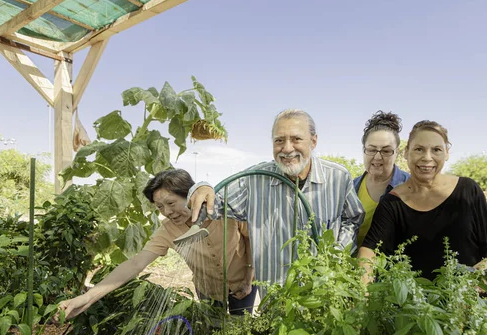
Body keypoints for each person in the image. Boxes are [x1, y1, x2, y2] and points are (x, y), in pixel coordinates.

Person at [188, 109, 365, 287]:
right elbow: (215, 203)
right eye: (279, 140)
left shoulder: (338, 178)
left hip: (323, 293)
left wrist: (337, 253)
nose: (287, 148)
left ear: (313, 141)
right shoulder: (254, 180)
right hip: (275, 297)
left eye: (296, 139)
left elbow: (352, 218)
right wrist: (201, 187)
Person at [57, 169, 256, 319]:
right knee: (213, 328)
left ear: (190, 195)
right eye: (160, 207)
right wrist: (88, 297)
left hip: (243, 280)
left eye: (171, 203)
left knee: (242, 325)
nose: (167, 211)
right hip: (209, 288)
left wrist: (248, 278)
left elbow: (253, 241)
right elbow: (135, 264)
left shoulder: (224, 212)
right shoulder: (168, 230)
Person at [358, 120, 487, 282]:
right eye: (419, 149)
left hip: (473, 299)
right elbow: (369, 249)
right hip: (416, 303)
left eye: (436, 150)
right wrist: (364, 292)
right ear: (406, 153)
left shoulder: (468, 190)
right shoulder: (392, 202)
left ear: (447, 153)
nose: (427, 158)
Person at [353, 111, 410, 248]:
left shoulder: (411, 187)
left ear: (396, 153)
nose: (377, 157)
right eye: (372, 150)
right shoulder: (350, 188)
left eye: (386, 151)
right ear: (363, 150)